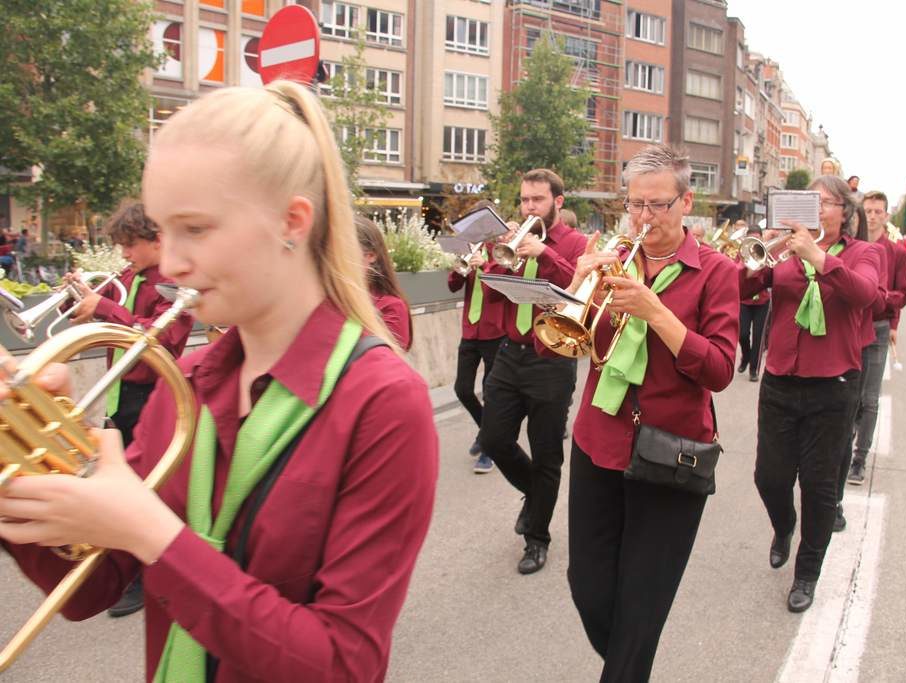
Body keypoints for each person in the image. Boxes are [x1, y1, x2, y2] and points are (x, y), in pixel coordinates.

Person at [0, 81, 438, 682]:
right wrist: (24, 458)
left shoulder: (385, 403)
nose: (172, 263)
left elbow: (343, 666)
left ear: (291, 221)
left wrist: (155, 535)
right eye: (162, 230)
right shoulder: (187, 381)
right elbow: (89, 588)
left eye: (196, 229)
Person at [564, 144, 738, 682]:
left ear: (686, 203)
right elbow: (562, 344)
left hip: (671, 457)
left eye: (656, 206)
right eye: (634, 205)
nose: (642, 218)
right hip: (599, 443)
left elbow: (720, 370)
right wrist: (576, 287)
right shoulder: (614, 257)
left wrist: (656, 312)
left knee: (640, 615)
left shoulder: (716, 272)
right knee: (587, 587)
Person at [742, 174, 882, 613]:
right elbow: (745, 290)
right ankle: (783, 526)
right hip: (782, 377)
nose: (816, 210)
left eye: (823, 203)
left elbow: (866, 296)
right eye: (809, 203)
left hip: (834, 383)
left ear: (845, 210)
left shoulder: (864, 252)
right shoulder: (785, 249)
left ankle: (807, 573)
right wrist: (759, 258)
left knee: (819, 488)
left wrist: (819, 257)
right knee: (769, 476)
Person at [65, 200, 195, 617]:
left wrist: (104, 309)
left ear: (157, 241)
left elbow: (162, 341)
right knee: (118, 480)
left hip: (152, 396)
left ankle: (145, 576)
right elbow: (105, 321)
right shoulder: (127, 277)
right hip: (119, 390)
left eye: (129, 245)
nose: (123, 254)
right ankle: (121, 566)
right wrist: (81, 300)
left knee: (146, 486)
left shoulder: (175, 282)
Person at [479, 168, 587, 574]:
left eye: (537, 200)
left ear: (557, 202)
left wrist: (544, 254)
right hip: (510, 354)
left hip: (552, 360)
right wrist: (500, 254)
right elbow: (491, 292)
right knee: (493, 438)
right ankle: (535, 494)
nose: (529, 208)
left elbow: (577, 294)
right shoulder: (516, 238)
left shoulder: (576, 243)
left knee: (546, 454)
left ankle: (537, 539)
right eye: (524, 200)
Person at [843, 191, 906, 488]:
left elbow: (902, 294)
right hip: (848, 328)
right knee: (848, 397)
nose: (871, 216)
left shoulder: (895, 252)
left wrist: (882, 302)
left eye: (877, 211)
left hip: (877, 327)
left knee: (869, 398)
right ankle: (843, 450)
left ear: (885, 215)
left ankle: (859, 458)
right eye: (867, 210)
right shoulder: (850, 246)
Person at [448, 200, 506, 474]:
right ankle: (487, 433)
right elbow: (452, 285)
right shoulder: (468, 248)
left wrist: (485, 265)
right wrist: (462, 267)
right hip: (470, 330)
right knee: (462, 389)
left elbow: (502, 285)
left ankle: (489, 449)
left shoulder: (501, 251)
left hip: (495, 331)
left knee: (491, 393)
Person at [355, 214, 413, 351]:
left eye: (346, 249)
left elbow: (386, 361)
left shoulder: (391, 307)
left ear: (371, 255)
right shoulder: (329, 297)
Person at [736, 221, 770, 382]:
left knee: (758, 337)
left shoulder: (767, 252)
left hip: (762, 301)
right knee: (742, 333)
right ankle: (746, 355)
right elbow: (736, 272)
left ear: (762, 239)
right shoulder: (742, 251)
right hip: (745, 300)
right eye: (752, 238)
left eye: (757, 238)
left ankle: (753, 369)